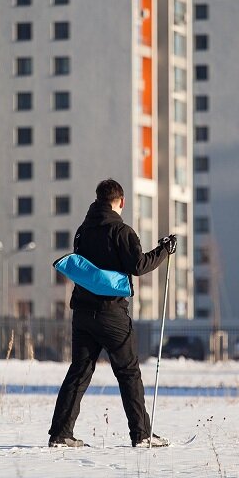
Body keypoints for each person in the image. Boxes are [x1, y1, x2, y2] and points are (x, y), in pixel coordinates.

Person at [48, 179, 177, 448]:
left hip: (82, 311)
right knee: (128, 372)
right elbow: (139, 265)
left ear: (97, 200)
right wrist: (164, 249)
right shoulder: (122, 231)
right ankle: (141, 434)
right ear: (122, 201)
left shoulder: (83, 230)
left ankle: (61, 434)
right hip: (112, 314)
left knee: (79, 371)